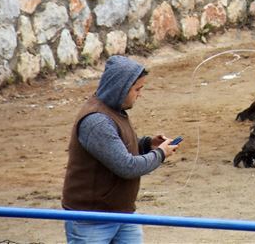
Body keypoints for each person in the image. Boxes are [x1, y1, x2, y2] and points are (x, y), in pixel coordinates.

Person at [62, 55, 181, 242]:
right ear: (121, 89)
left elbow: (118, 147)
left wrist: (147, 144)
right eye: (137, 89)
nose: (140, 94)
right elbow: (127, 166)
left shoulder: (115, 111)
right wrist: (160, 153)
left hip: (122, 214)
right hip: (91, 219)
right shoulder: (97, 121)